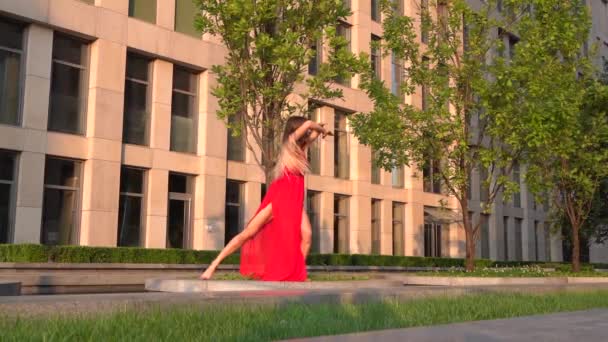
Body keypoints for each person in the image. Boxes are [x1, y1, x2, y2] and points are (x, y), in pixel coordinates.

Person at [199, 116, 332, 281]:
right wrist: (320, 128)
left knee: (307, 235)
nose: (309, 133)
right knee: (248, 233)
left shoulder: (301, 148)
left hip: (295, 201)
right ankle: (213, 265)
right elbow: (308, 125)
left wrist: (320, 130)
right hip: (280, 199)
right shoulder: (289, 144)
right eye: (306, 130)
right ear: (295, 129)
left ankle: (298, 273)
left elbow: (312, 133)